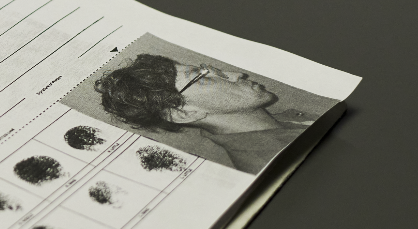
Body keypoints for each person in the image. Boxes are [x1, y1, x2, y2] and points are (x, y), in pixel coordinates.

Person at [93, 54, 318, 174]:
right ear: (184, 114)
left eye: (214, 70)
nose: (236, 74)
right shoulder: (274, 164)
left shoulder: (291, 119)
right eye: (205, 77)